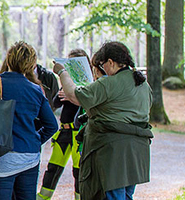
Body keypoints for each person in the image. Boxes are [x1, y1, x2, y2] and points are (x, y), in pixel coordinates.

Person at [53, 41, 153, 200]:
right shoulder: (143, 84)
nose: (101, 70)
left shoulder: (109, 83)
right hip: (137, 152)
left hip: (114, 151)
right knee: (126, 196)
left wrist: (63, 72)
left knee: (113, 195)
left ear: (111, 63)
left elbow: (73, 95)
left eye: (101, 65)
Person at [0, 41, 57, 200]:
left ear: (8, 60)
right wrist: (35, 140)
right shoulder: (35, 90)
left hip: (0, 155)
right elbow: (52, 125)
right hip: (29, 156)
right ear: (31, 65)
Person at [37, 49, 88, 200]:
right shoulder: (67, 82)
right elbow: (55, 103)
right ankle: (43, 196)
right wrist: (63, 94)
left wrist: (72, 96)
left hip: (78, 132)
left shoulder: (87, 83)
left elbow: (86, 103)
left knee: (78, 170)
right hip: (64, 132)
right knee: (54, 166)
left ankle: (80, 197)